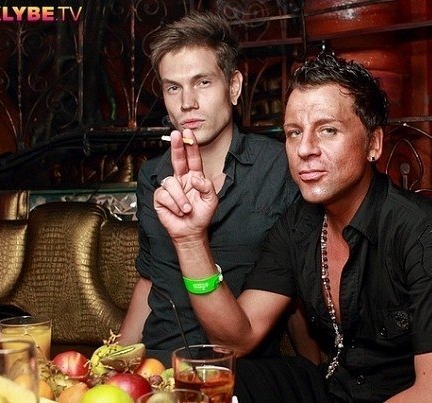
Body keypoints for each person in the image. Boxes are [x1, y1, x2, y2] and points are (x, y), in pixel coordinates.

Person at [155, 52, 432, 402]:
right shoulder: (298, 225)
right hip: (336, 391)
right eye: (293, 133)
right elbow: (237, 339)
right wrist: (190, 239)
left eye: (328, 130)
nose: (305, 149)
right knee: (212, 381)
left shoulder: (420, 229)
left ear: (374, 143)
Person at [118, 12, 301, 362]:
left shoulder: (280, 168)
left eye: (202, 82)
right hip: (157, 363)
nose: (187, 102)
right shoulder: (153, 176)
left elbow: (299, 293)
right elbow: (151, 278)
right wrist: (116, 360)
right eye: (173, 87)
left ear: (233, 87)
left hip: (236, 368)